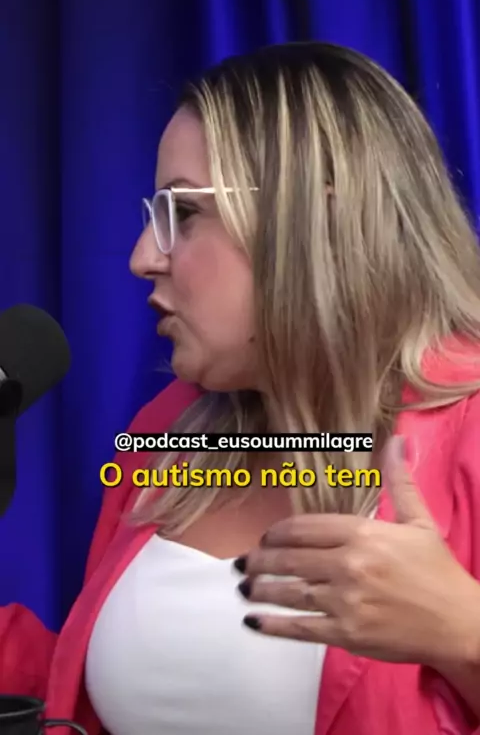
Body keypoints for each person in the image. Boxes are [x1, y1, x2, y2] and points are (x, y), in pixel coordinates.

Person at [1, 42, 480, 735]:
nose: (142, 257)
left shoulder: (469, 429)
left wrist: (464, 631)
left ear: (317, 222)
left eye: (184, 213)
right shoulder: (167, 432)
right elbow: (94, 692)